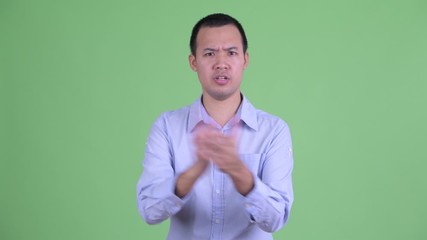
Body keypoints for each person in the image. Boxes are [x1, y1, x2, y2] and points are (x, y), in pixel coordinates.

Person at [137, 13, 294, 240]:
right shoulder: (166, 127)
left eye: (231, 53)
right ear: (193, 62)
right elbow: (149, 211)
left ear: (245, 60)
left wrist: (241, 175)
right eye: (209, 54)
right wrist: (190, 175)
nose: (221, 63)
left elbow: (276, 219)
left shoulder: (274, 130)